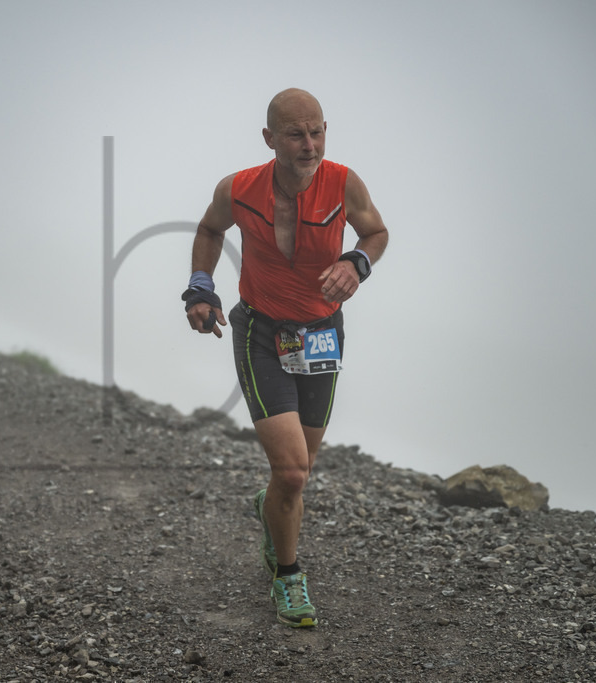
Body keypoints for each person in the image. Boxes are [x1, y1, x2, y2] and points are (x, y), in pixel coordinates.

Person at [184, 88, 389, 627]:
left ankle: (269, 506)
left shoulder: (344, 183)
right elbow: (209, 228)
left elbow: (376, 232)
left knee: (298, 470)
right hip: (260, 332)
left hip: (321, 334)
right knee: (294, 473)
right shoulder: (239, 189)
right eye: (296, 134)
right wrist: (200, 287)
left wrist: (356, 264)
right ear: (270, 139)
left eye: (318, 131)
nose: (310, 144)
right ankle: (289, 577)